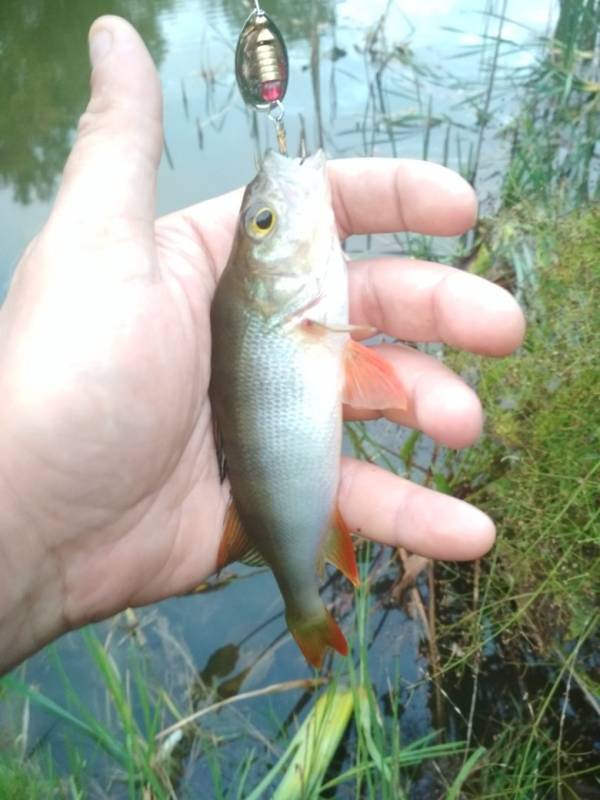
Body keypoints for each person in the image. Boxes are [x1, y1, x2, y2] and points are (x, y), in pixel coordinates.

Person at [0, 16, 525, 675]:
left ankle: (302, 599)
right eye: (264, 222)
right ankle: (304, 603)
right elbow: (360, 374)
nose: (271, 212)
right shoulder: (295, 312)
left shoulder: (298, 312)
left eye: (263, 219)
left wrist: (25, 524)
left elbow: (355, 371)